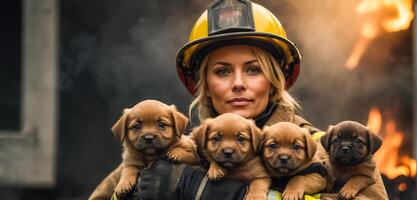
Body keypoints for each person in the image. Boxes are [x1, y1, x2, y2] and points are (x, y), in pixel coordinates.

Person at [90, 0, 389, 199]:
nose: (237, 84)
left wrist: (221, 193)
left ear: (276, 81)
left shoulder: (323, 148)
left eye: (253, 69)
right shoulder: (166, 150)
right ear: (203, 85)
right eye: (222, 71)